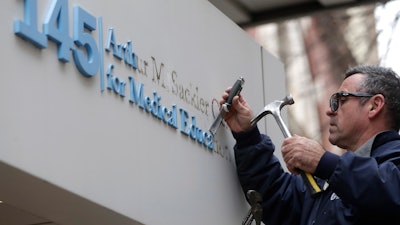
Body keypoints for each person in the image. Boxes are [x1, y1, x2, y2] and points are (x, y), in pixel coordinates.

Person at [220, 65, 400, 225]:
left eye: (341, 100)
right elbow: (277, 196)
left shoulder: (382, 169)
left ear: (374, 106)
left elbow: (390, 191)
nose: (330, 111)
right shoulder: (329, 180)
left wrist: (324, 163)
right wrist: (248, 137)